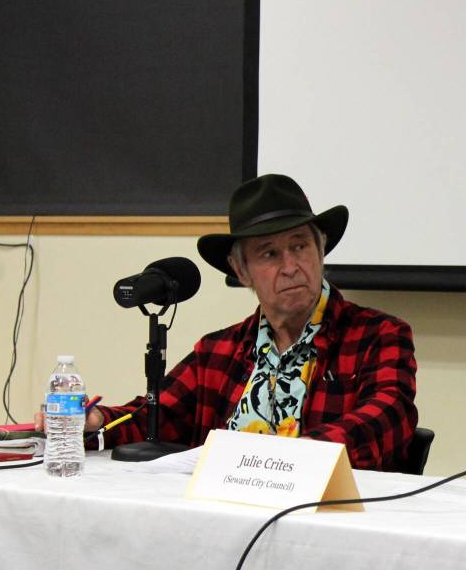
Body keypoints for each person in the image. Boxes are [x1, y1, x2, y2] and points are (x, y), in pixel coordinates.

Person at [36, 174, 418, 470]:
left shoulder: (378, 336)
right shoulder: (218, 349)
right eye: (269, 254)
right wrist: (96, 419)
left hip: (324, 521)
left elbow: (386, 418)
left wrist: (285, 459)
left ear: (321, 250)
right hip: (225, 519)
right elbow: (157, 417)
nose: (290, 267)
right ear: (241, 270)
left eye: (300, 246)